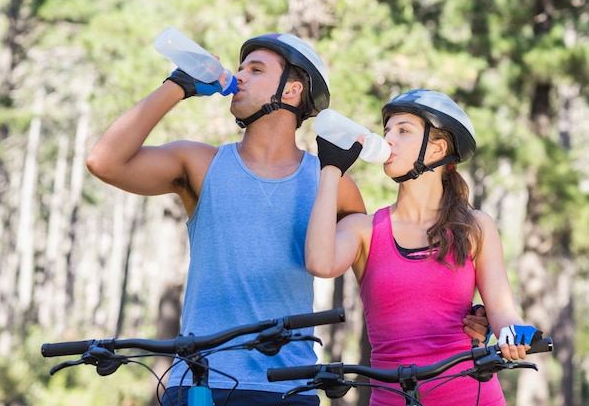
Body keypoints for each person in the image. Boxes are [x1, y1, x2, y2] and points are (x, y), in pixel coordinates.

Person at [86, 31, 490, 406]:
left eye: (255, 69)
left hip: (291, 386)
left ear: (293, 90)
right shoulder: (199, 163)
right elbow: (103, 161)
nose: (240, 76)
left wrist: (468, 320)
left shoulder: (333, 184)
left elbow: (383, 283)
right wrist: (177, 85)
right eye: (240, 68)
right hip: (199, 381)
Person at [304, 89, 541, 406]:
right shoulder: (364, 229)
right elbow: (320, 263)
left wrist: (515, 332)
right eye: (387, 130)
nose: (388, 139)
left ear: (437, 149)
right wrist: (330, 169)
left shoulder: (475, 226)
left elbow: (501, 309)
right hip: (391, 398)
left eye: (403, 130)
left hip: (472, 396)